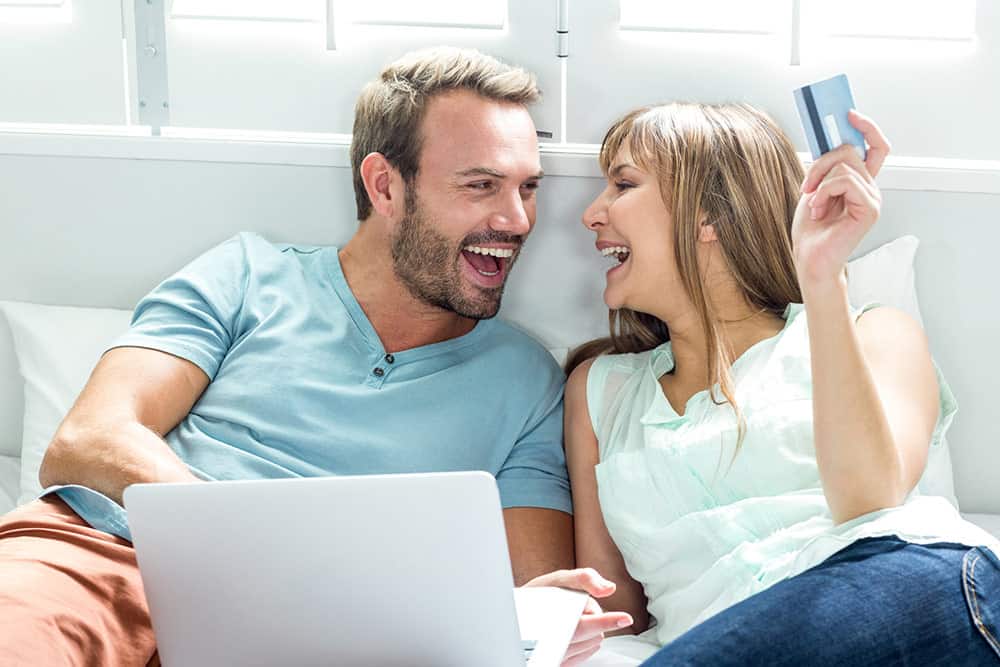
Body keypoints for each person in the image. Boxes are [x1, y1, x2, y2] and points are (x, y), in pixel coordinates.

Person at [0, 47, 629, 666]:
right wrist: (254, 548)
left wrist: (538, 612)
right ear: (385, 186)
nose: (517, 220)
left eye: (527, 188)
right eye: (481, 186)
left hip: (330, 627)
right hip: (107, 555)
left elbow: (525, 588)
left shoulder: (526, 381)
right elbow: (88, 440)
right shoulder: (247, 274)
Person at [564, 101, 1000, 665]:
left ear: (708, 214)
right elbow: (615, 615)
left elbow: (872, 503)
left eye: (623, 184)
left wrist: (821, 276)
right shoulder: (599, 394)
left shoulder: (872, 333)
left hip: (911, 588)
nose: (591, 214)